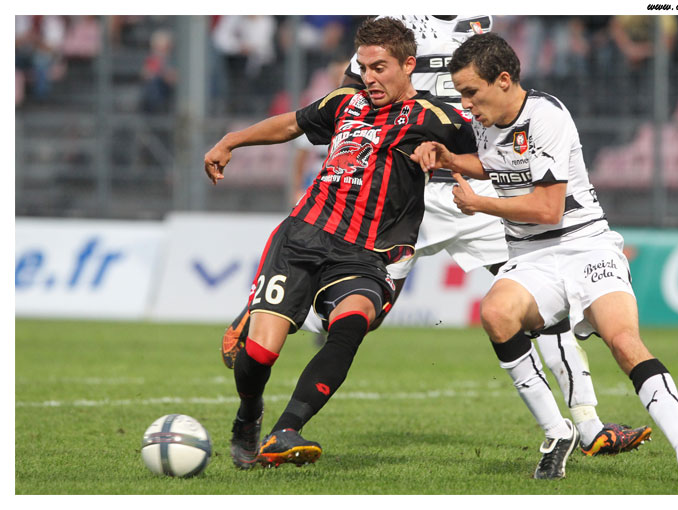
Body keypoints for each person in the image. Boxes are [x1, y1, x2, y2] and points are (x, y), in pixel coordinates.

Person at [222, 14, 652, 460]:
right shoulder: (393, 22)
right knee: (363, 313)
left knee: (540, 292)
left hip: (467, 185)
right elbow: (351, 91)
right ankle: (265, 311)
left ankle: (587, 426)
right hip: (405, 192)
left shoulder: (483, 21)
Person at [410, 32, 678, 484]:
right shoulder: (487, 120)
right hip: (530, 255)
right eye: (462, 95)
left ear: (503, 80)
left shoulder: (546, 116)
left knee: (624, 343)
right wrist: (451, 160)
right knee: (496, 313)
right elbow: (498, 165)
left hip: (584, 245)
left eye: (471, 92)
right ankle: (559, 432)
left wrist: (480, 204)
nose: (466, 104)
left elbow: (547, 208)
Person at [205, 17, 476, 469]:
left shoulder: (435, 116)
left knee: (351, 323)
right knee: (259, 353)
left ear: (409, 65)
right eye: (364, 68)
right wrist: (232, 141)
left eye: (380, 68)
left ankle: (285, 430)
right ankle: (249, 414)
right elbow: (291, 125)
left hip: (368, 253)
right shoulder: (344, 102)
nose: (370, 78)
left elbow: (486, 152)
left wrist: (447, 156)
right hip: (302, 236)